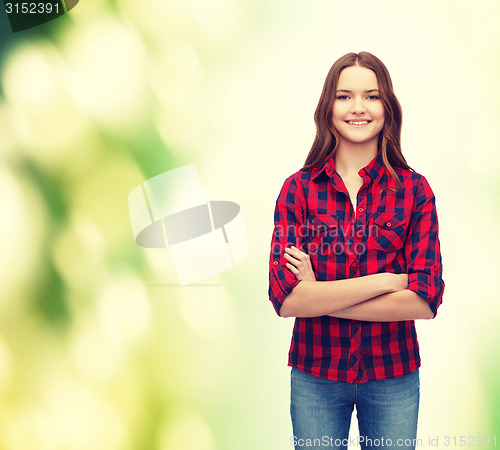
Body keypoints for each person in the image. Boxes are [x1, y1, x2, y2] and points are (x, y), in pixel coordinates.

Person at [268, 52, 445, 450]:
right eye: (345, 96)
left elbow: (425, 299)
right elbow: (284, 298)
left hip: (392, 374)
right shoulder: (298, 190)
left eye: (372, 96)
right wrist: (384, 281)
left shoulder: (415, 191)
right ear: (328, 107)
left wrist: (319, 295)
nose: (358, 108)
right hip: (316, 375)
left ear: (388, 108)